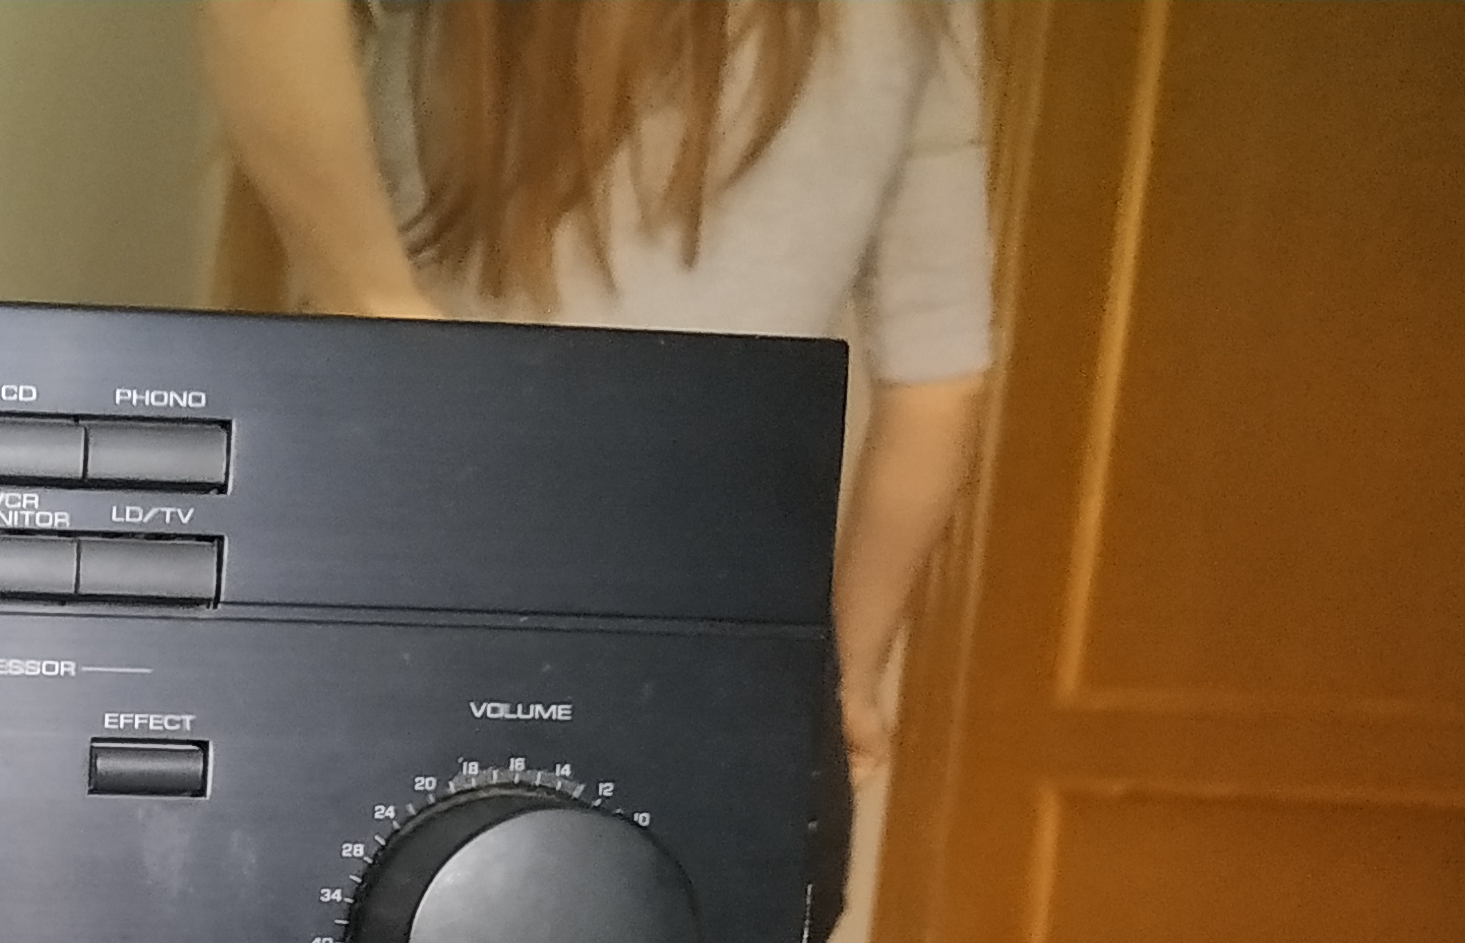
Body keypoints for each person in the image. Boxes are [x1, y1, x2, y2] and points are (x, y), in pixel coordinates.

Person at [205, 0, 993, 797]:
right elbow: (939, 381)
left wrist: (373, 305)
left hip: (396, 558)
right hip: (704, 625)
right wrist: (840, 681)